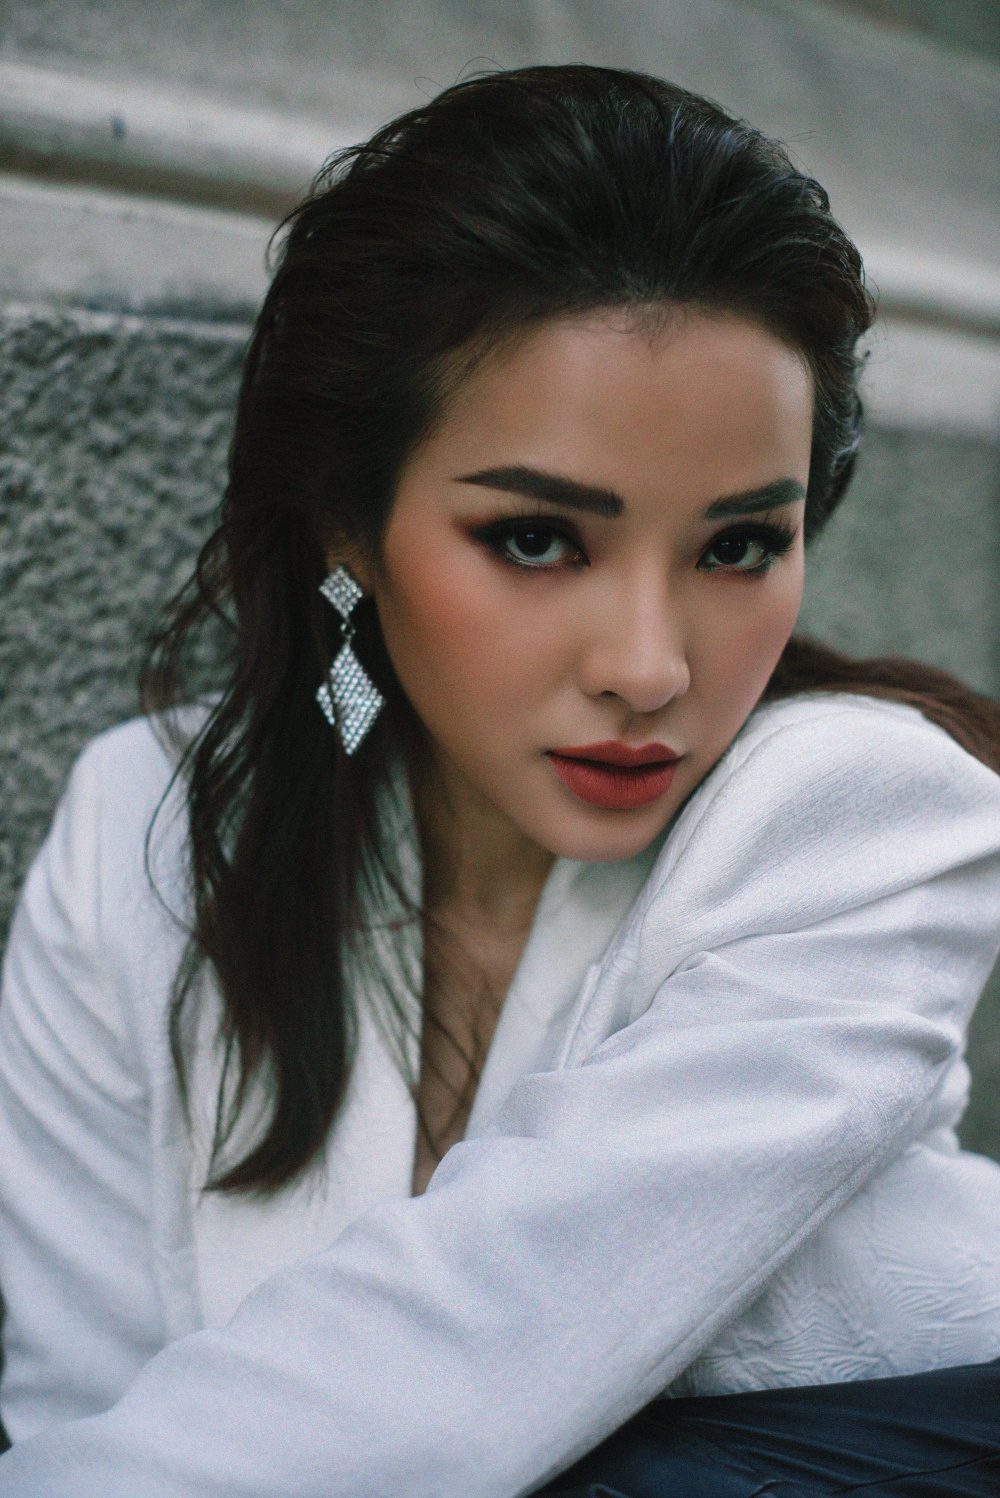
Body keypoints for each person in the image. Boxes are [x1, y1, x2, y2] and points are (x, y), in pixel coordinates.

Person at [0, 63, 999, 1498]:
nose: (648, 665)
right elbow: (74, 1413)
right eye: (537, 538)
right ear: (348, 521)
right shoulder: (143, 836)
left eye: (737, 547)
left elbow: (473, 1361)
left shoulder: (862, 816)